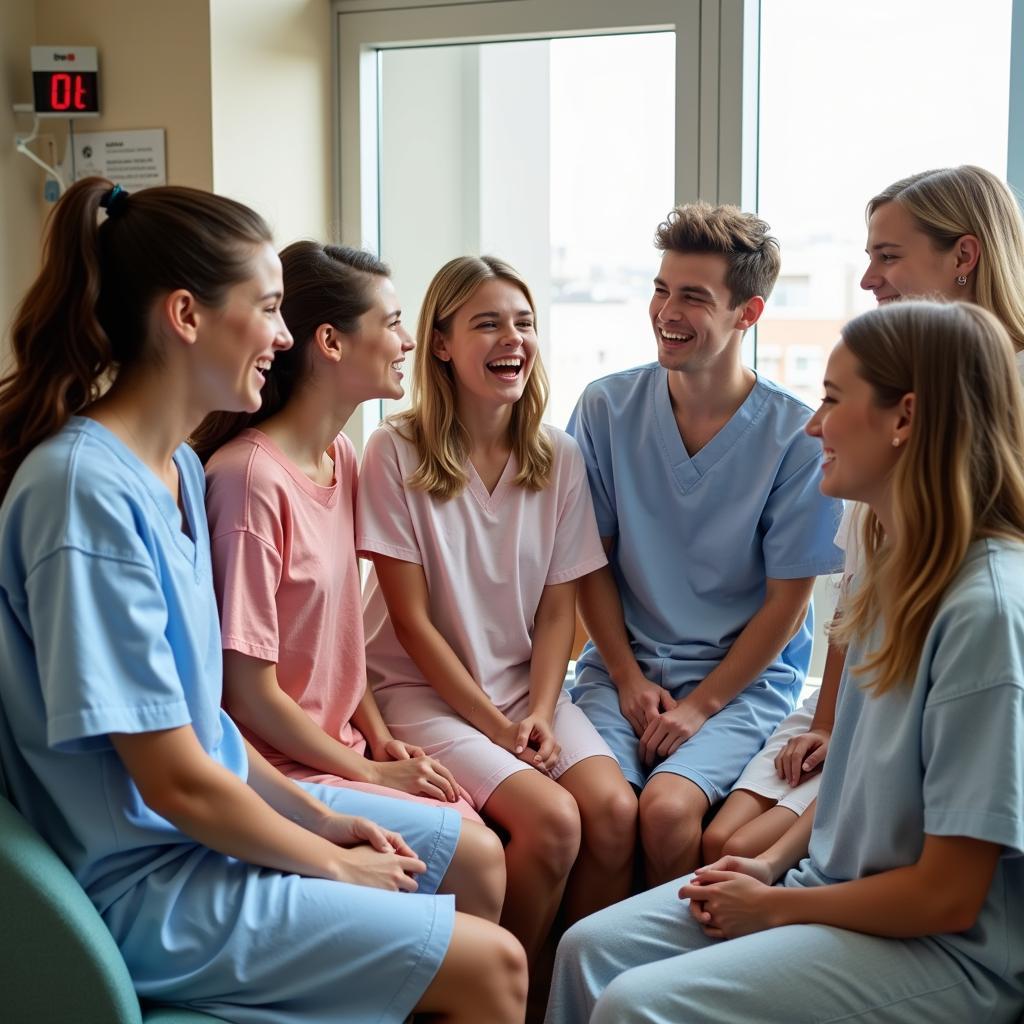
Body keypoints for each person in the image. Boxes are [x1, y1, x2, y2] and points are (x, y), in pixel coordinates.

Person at [0, 178, 526, 1024]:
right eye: (270, 307)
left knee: (471, 864)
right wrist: (329, 861)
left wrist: (321, 815)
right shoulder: (82, 496)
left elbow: (210, 733)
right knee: (494, 969)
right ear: (186, 316)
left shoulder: (169, 474)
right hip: (153, 883)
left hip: (200, 835)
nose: (284, 337)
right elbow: (175, 781)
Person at [545, 300, 1024, 1024]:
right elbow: (855, 785)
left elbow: (947, 896)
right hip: (826, 883)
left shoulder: (983, 613)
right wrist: (769, 867)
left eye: (832, 400)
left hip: (942, 948)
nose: (811, 425)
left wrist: (777, 907)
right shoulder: (894, 569)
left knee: (636, 1005)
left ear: (905, 419)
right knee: (586, 949)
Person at [706, 166, 1024, 862]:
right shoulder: (875, 405)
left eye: (887, 256)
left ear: (963, 256)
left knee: (745, 848)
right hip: (867, 689)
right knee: (721, 840)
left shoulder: (994, 411)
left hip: (937, 700)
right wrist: (829, 723)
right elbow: (860, 584)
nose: (868, 280)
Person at [358, 255, 638, 966]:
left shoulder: (559, 456)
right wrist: (496, 726)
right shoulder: (393, 450)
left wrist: (540, 712)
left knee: (613, 814)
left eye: (524, 323)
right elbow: (412, 624)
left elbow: (556, 612)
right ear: (443, 343)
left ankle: (563, 996)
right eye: (488, 324)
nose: (512, 338)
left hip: (522, 688)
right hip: (420, 692)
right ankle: (493, 993)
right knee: (552, 823)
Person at [567, 202, 844, 885]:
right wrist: (628, 680)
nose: (667, 311)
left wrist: (701, 705)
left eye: (693, 297)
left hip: (741, 683)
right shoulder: (605, 409)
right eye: (662, 289)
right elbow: (588, 564)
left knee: (665, 811)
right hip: (621, 670)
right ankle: (571, 987)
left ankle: (658, 982)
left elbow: (788, 603)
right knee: (603, 810)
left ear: (748, 313)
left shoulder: (795, 436)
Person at [194, 242, 485, 831]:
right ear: (330, 342)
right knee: (478, 853)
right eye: (394, 323)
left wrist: (379, 741)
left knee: (472, 818)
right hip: (282, 767)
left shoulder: (342, 457)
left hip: (341, 746)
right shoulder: (249, 480)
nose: (409, 343)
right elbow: (247, 695)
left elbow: (340, 645)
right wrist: (370, 776)